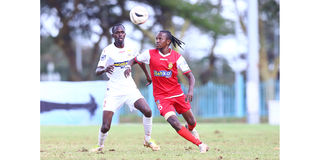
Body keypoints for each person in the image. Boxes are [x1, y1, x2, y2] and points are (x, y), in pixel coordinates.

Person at [125, 30, 209, 153]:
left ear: (168, 42)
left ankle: (190, 128)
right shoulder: (149, 54)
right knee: (174, 123)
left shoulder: (177, 57)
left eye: (160, 39)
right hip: (161, 98)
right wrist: (128, 66)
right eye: (156, 39)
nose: (157, 41)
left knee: (192, 122)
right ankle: (201, 145)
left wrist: (190, 91)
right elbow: (135, 60)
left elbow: (191, 76)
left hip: (178, 94)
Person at [91, 24, 160, 152]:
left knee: (148, 111)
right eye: (117, 32)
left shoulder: (131, 48)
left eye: (122, 32)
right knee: (106, 126)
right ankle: (100, 145)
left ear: (125, 34)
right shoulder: (107, 50)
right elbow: (97, 70)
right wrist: (105, 68)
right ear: (113, 35)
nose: (120, 34)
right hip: (114, 90)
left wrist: (147, 76)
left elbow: (138, 61)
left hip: (129, 88)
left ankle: (148, 139)